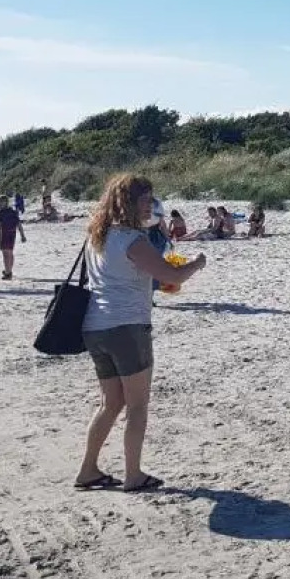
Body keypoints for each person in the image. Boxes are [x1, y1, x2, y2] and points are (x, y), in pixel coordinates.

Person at [75, 174, 206, 493]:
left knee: (110, 403)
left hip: (95, 326)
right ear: (130, 202)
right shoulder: (132, 239)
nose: (151, 205)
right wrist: (196, 264)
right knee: (136, 405)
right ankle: (133, 475)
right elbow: (170, 275)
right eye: (146, 199)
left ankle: (88, 470)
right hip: (127, 326)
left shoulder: (99, 235)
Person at [0, 195, 26, 280]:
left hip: (4, 234)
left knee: (5, 254)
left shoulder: (2, 213)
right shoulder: (13, 212)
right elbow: (19, 224)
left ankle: (8, 273)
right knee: (10, 253)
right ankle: (9, 270)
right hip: (12, 234)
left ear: (5, 202)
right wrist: (22, 235)